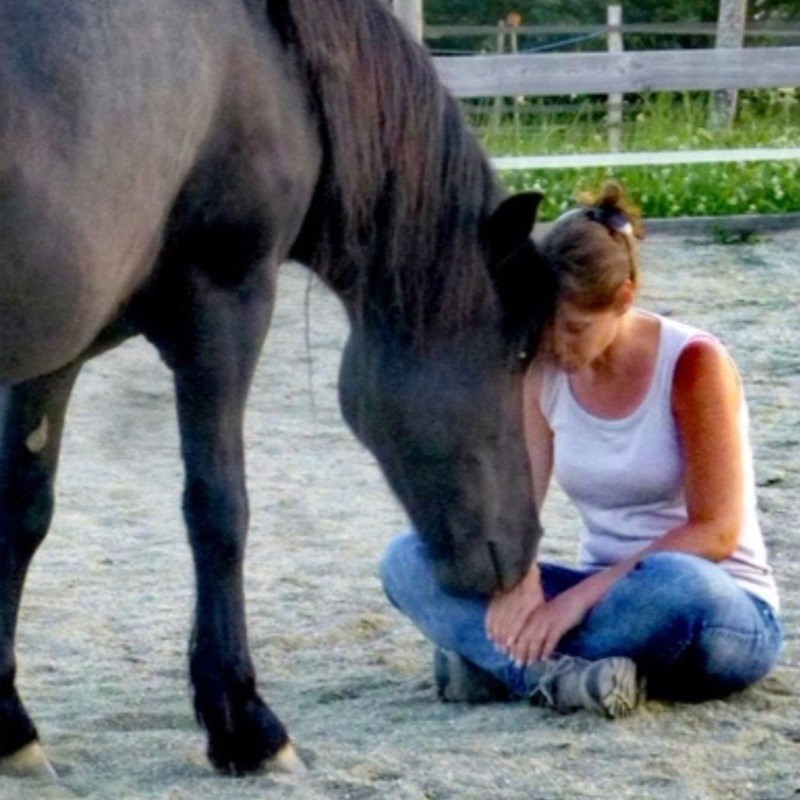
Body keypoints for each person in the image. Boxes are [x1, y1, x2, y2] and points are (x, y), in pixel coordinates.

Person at [379, 183, 783, 718]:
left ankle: (500, 666)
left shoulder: (692, 364)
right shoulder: (543, 369)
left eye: (574, 328)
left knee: (674, 587)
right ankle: (567, 677)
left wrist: (573, 601)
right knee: (410, 558)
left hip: (713, 605)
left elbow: (715, 531)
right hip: (604, 597)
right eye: (545, 325)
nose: (557, 345)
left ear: (624, 298)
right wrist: (517, 579)